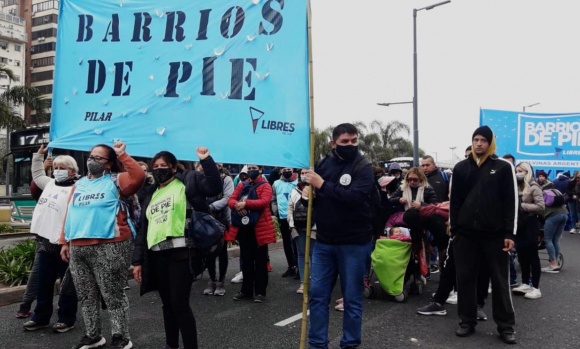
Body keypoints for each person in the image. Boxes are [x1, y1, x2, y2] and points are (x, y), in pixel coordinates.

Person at [132, 148, 221, 349]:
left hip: (181, 254)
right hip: (156, 256)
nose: (159, 169)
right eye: (155, 167)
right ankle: (171, 345)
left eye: (163, 166)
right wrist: (137, 261)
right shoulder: (151, 193)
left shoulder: (188, 180)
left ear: (173, 167)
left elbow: (214, 186)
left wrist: (205, 159)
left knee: (180, 304)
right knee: (167, 306)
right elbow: (142, 230)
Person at [60, 141, 145, 349]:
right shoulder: (79, 184)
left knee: (112, 293)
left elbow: (139, 177)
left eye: (98, 158)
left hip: (111, 245)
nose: (92, 161)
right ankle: (93, 335)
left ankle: (121, 336)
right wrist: (64, 241)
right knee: (86, 295)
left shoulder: (118, 180)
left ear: (108, 164)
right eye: (91, 156)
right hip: (78, 247)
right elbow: (70, 213)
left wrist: (122, 155)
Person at [301, 123, 374, 349]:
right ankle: (317, 344)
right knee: (317, 296)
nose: (350, 145)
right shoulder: (323, 164)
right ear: (334, 143)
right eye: (345, 142)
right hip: (324, 242)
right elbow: (319, 195)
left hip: (354, 244)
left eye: (354, 141)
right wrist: (308, 193)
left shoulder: (364, 167)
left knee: (352, 300)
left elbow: (355, 198)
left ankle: (350, 344)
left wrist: (321, 185)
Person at [449, 125, 517, 344]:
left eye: (483, 140)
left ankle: (506, 327)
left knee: (499, 281)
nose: (479, 144)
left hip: (495, 235)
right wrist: (455, 230)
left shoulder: (504, 167)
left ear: (490, 143)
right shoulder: (460, 168)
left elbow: (510, 202)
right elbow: (455, 202)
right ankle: (466, 322)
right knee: (465, 280)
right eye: (476, 139)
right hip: (466, 236)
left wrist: (510, 233)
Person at [23, 145, 79, 333]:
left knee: (67, 285)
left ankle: (66, 318)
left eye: (62, 168)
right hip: (46, 242)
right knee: (43, 282)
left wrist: (69, 242)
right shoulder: (49, 183)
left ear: (72, 171)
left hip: (66, 244)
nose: (58, 171)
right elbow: (37, 174)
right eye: (56, 167)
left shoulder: (78, 189)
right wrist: (39, 156)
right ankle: (40, 317)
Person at [226, 164, 276, 303]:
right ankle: (246, 290)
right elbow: (231, 200)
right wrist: (237, 205)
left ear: (260, 170)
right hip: (244, 228)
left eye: (254, 168)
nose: (251, 171)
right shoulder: (242, 184)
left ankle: (260, 292)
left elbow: (264, 202)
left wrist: (245, 204)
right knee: (246, 261)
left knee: (260, 261)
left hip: (259, 229)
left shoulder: (265, 185)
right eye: (249, 168)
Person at [511, 162, 544, 300]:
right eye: (517, 170)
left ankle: (536, 287)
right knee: (522, 254)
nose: (518, 172)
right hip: (519, 224)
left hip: (530, 223)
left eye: (521, 170)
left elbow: (541, 206)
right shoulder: (516, 185)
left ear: (528, 172)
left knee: (532, 255)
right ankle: (525, 282)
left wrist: (521, 205)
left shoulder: (534, 186)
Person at [203, 163, 234, 296]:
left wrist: (210, 207)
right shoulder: (201, 178)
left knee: (222, 251)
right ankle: (212, 280)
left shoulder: (226, 179)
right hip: (205, 219)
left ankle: (221, 281)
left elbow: (228, 198)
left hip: (222, 219)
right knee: (209, 252)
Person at [287, 169, 316, 294]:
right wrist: (291, 224)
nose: (304, 175)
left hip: (314, 228)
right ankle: (303, 283)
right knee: (301, 254)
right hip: (298, 228)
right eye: (302, 173)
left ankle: (315, 282)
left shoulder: (317, 188)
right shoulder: (294, 190)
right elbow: (290, 208)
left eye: (306, 172)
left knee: (314, 255)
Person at [271, 167, 299, 277]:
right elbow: (273, 199)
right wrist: (276, 211)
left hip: (296, 218)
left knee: (296, 242)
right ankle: (291, 266)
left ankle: (298, 267)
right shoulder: (276, 183)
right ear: (280, 171)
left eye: (288, 168)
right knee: (286, 243)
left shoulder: (298, 181)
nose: (286, 171)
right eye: (284, 169)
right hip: (282, 217)